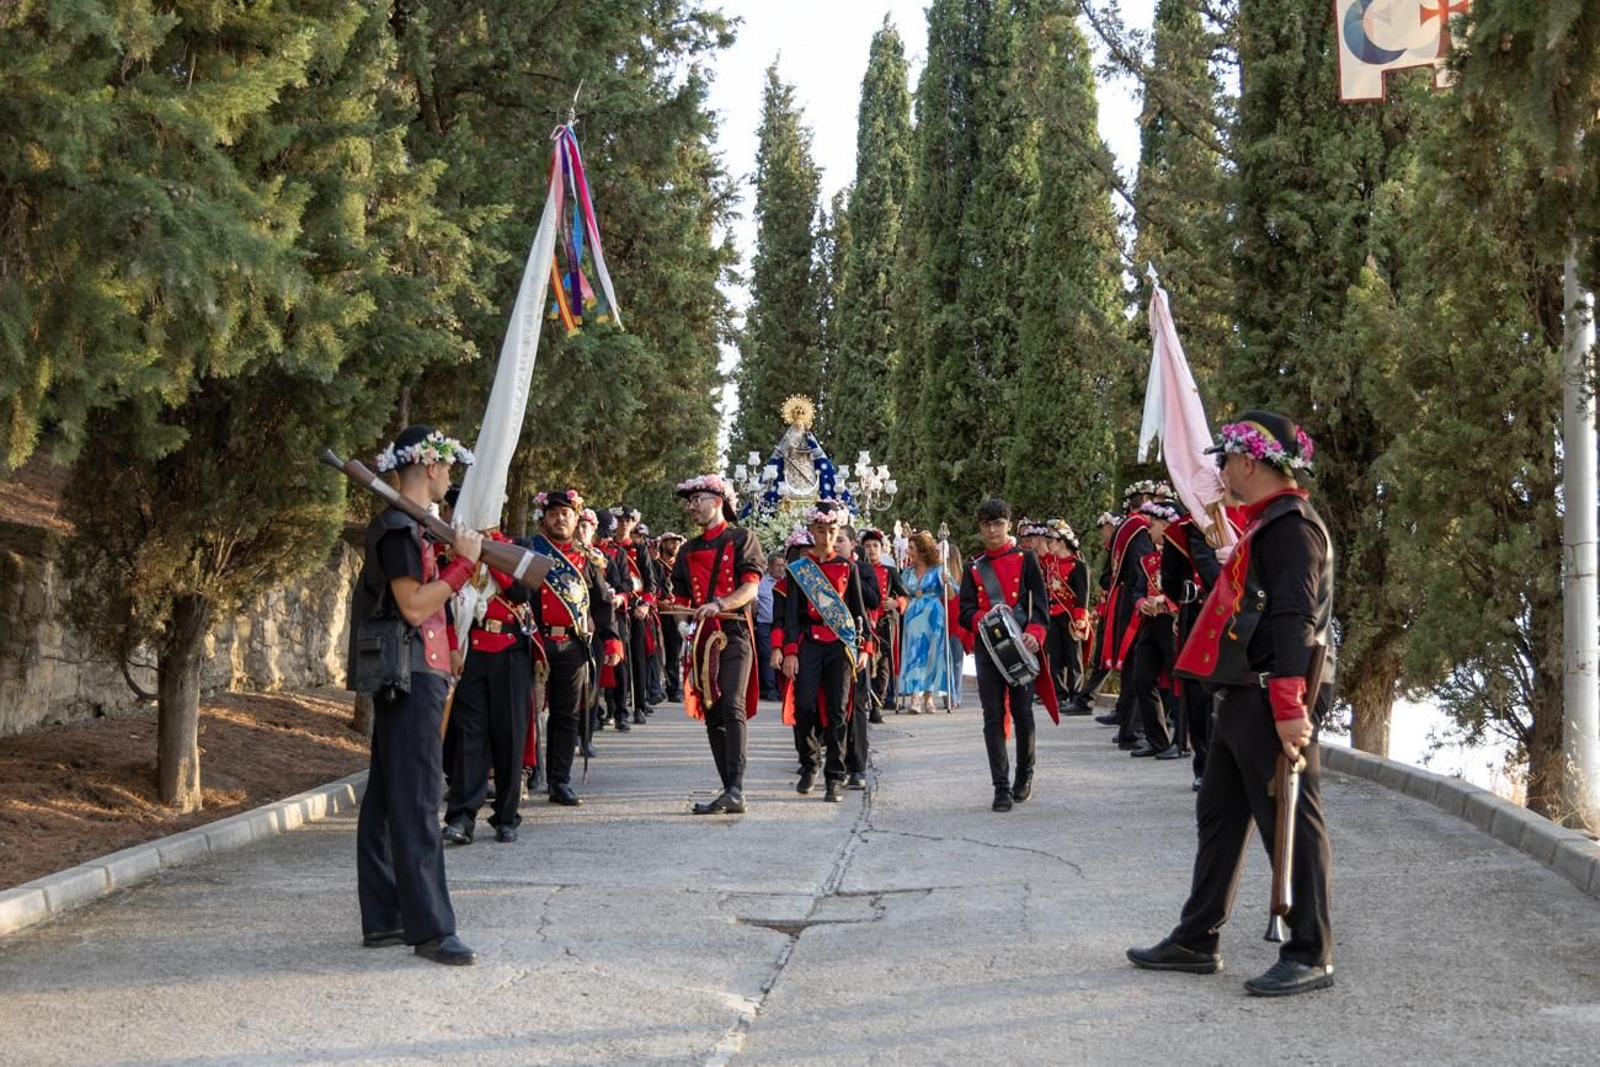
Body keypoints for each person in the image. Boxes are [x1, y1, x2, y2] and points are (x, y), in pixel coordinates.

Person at [1128, 410, 1336, 998]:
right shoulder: (1266, 524)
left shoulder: (1291, 527)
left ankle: (1310, 950)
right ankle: (1198, 936)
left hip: (1270, 695)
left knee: (1290, 826)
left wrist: (1291, 703)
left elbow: (1296, 619)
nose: (1220, 469)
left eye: (1225, 459)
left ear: (1250, 461)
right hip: (1242, 692)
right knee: (1219, 820)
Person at [348, 424, 480, 965]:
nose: (450, 475)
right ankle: (430, 928)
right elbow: (413, 604)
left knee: (385, 798)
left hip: (418, 672)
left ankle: (383, 918)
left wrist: (450, 648)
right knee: (421, 799)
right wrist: (464, 564)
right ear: (429, 466)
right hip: (408, 676)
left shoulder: (415, 527)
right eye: (446, 466)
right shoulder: (400, 528)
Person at [670, 474, 766, 814]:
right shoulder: (687, 550)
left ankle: (737, 787)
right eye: (690, 501)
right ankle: (729, 789)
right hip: (701, 638)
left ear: (719, 500)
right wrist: (682, 625)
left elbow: (750, 588)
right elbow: (680, 598)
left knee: (732, 703)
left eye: (699, 499)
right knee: (711, 710)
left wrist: (720, 604)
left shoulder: (742, 538)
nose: (692, 507)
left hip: (734, 631)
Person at [521, 489, 622, 807]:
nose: (559, 518)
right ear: (544, 519)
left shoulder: (587, 558)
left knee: (566, 715)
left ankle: (559, 781)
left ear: (576, 517)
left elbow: (602, 603)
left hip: (573, 643)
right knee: (527, 711)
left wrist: (611, 637)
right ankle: (526, 772)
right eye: (553, 514)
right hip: (534, 642)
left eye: (565, 513)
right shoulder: (531, 550)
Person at [441, 522, 535, 846]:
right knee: (470, 738)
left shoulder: (515, 545)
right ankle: (461, 817)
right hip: (473, 651)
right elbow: (447, 604)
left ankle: (506, 816)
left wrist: (490, 549)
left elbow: (522, 592)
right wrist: (452, 646)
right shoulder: (455, 545)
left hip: (510, 651)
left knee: (509, 736)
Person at [958, 498, 1051, 812]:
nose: (992, 530)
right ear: (980, 527)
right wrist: (979, 619)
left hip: (1020, 648)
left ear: (1008, 524)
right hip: (988, 650)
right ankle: (1000, 786)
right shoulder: (973, 567)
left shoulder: (1026, 559)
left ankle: (1024, 775)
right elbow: (965, 610)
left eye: (998, 523)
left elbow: (1040, 606)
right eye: (986, 524)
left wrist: (1035, 634)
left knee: (1024, 714)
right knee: (993, 716)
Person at [783, 501, 871, 802]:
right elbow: (791, 615)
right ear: (811, 531)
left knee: (837, 710)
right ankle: (809, 762)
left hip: (839, 644)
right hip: (808, 642)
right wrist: (790, 650)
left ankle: (835, 776)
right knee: (804, 706)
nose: (827, 537)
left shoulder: (847, 567)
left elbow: (859, 611)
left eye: (832, 531)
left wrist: (865, 647)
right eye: (821, 531)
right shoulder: (799, 570)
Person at [1124, 501, 1183, 760]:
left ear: (1167, 525)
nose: (1149, 531)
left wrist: (1165, 602)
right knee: (1141, 678)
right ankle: (1157, 740)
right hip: (1150, 624)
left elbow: (1192, 588)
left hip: (1174, 623)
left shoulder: (1183, 557)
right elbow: (1136, 590)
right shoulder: (1147, 560)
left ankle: (1183, 741)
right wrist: (1142, 603)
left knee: (1180, 683)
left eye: (1153, 525)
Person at [835, 524, 880, 790]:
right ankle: (834, 762)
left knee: (858, 705)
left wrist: (850, 580)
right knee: (834, 707)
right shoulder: (819, 569)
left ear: (853, 545)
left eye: (841, 540)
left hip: (856, 642)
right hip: (825, 646)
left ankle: (858, 767)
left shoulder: (862, 569)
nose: (836, 544)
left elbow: (873, 600)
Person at [897, 530, 952, 715]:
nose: (908, 552)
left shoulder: (938, 570)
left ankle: (929, 697)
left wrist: (947, 582)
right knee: (914, 653)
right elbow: (901, 593)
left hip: (934, 614)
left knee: (932, 654)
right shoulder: (907, 572)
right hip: (914, 614)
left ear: (922, 550)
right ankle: (914, 697)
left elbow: (952, 594)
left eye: (911, 548)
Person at [860, 528, 908, 722]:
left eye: (875, 546)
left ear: (882, 549)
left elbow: (905, 595)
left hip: (884, 623)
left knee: (882, 665)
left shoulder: (890, 572)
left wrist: (896, 603)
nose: (871, 550)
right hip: (862, 622)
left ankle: (877, 705)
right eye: (867, 546)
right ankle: (862, 702)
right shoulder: (856, 569)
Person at [1044, 519, 1091, 714]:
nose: (1049, 545)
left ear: (1062, 542)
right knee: (1055, 656)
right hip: (1054, 614)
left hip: (1071, 617)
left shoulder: (1078, 565)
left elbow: (1083, 593)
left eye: (1052, 541)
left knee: (1074, 658)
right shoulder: (1051, 565)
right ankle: (1060, 694)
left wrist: (1080, 617)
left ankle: (1076, 694)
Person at [657, 531, 687, 702]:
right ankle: (663, 687)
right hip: (661, 611)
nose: (675, 545)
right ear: (663, 544)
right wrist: (660, 602)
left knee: (677, 651)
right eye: (670, 542)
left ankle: (676, 687)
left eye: (677, 542)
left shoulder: (682, 565)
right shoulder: (656, 564)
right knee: (662, 651)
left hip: (679, 611)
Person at [756, 554, 783, 701]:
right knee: (767, 655)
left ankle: (782, 689)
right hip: (765, 625)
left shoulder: (786, 583)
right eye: (777, 565)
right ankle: (770, 689)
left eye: (782, 565)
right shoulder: (762, 583)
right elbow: (754, 601)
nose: (780, 568)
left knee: (782, 656)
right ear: (770, 567)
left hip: (781, 626)